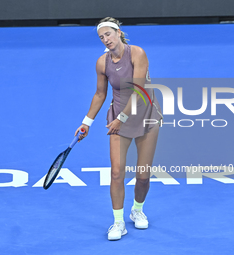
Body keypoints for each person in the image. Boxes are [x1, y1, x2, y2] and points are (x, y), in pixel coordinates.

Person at [75, 17, 163, 241]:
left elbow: (140, 90)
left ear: (119, 33)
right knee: (116, 173)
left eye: (108, 34)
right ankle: (118, 222)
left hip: (144, 116)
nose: (106, 39)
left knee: (143, 177)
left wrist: (121, 118)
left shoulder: (137, 53)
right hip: (118, 120)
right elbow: (100, 94)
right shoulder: (102, 63)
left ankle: (137, 209)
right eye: (101, 37)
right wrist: (87, 122)